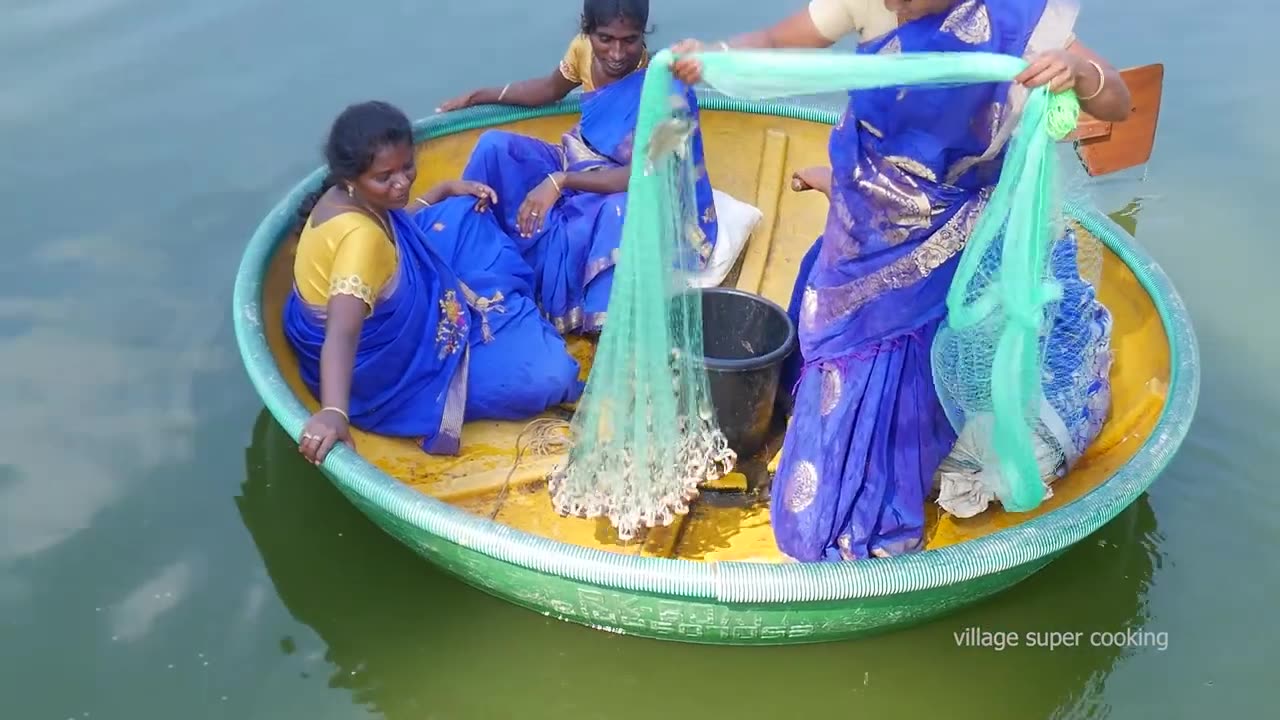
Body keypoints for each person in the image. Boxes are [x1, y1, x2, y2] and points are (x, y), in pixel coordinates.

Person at [670, 0, 1131, 562]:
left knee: (898, 374)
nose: (893, 4)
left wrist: (1079, 73)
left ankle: (871, 510)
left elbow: (1119, 103)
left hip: (940, 242)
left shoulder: (1021, 19)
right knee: (830, 348)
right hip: (855, 227)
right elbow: (773, 40)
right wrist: (711, 57)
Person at [285, 101, 584, 464]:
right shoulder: (360, 242)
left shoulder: (343, 197)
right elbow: (342, 334)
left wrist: (441, 191)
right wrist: (334, 412)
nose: (401, 183)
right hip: (389, 370)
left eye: (407, 167)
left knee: (463, 211)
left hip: (385, 301)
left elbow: (395, 223)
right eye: (385, 177)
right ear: (351, 177)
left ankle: (501, 302)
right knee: (551, 374)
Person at [439, 0, 719, 333]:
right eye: (605, 39)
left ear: (643, 33)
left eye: (629, 40)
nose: (616, 52)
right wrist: (480, 95)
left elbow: (639, 175)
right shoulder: (582, 51)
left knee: (618, 212)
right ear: (587, 30)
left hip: (632, 181)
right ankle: (473, 248)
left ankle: (599, 314)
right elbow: (548, 89)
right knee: (494, 147)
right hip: (579, 155)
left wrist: (559, 181)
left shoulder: (663, 86)